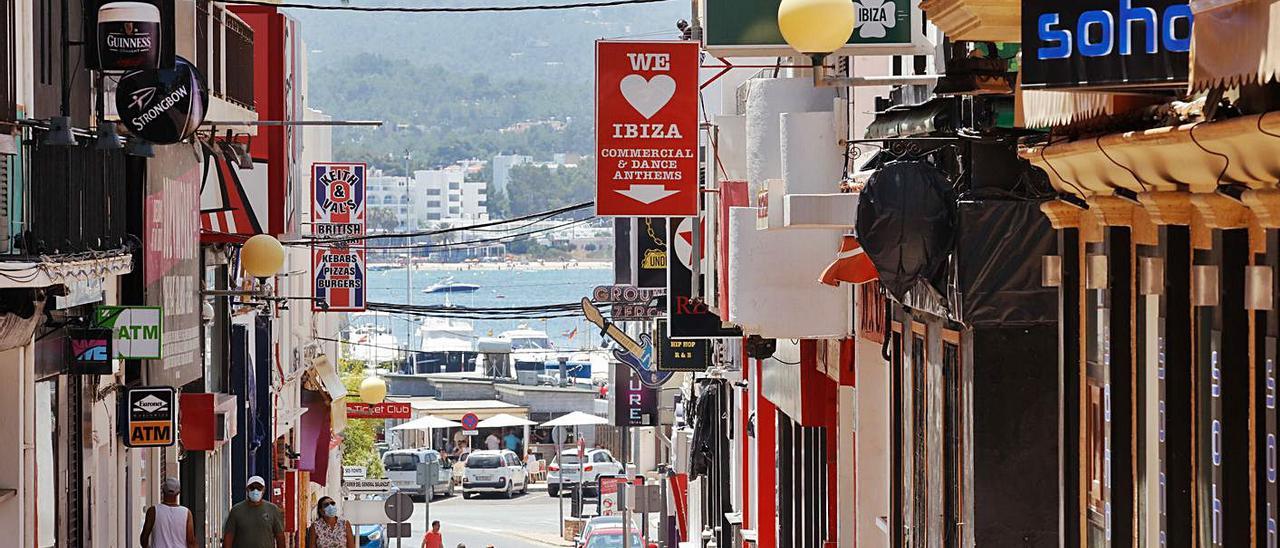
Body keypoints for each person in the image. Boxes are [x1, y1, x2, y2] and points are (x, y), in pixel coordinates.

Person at [223, 476, 285, 548]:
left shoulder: (272, 510)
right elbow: (229, 536)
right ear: (247, 489)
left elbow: (280, 536)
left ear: (263, 490)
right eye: (252, 487)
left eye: (259, 488)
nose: (255, 490)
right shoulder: (236, 510)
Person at [140, 477, 197, 548]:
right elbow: (191, 542)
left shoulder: (153, 511)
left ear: (163, 490)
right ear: (178, 492)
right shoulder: (186, 513)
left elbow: (144, 538)